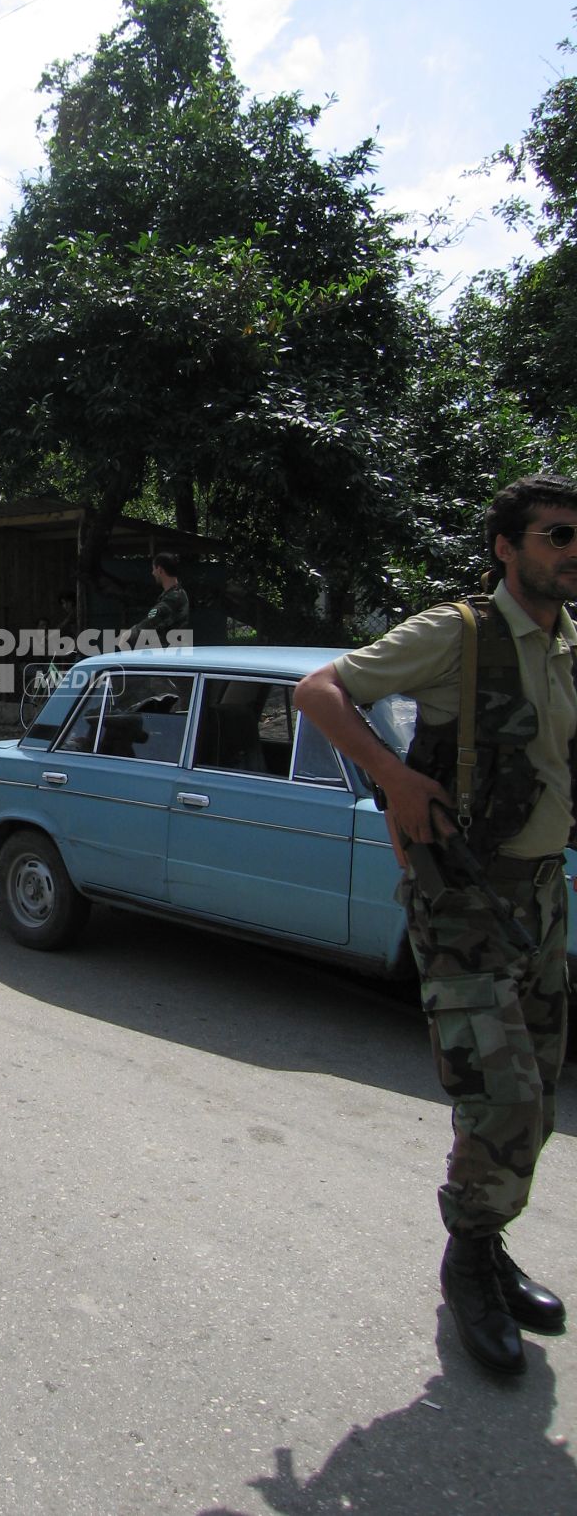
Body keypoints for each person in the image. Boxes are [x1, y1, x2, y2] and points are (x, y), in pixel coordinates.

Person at [293, 474, 577, 1376]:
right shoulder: (456, 633)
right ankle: (468, 1268)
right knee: (503, 1097)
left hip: (539, 896)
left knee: (536, 1090)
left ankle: (488, 1246)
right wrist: (396, 779)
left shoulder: (569, 643)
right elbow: (319, 690)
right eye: (555, 535)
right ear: (507, 545)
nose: (571, 552)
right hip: (461, 900)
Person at [127, 551, 190, 647]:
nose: (152, 573)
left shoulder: (174, 597)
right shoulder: (174, 594)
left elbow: (151, 620)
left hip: (170, 654)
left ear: (160, 570)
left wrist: (128, 635)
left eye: (153, 569)